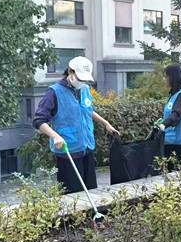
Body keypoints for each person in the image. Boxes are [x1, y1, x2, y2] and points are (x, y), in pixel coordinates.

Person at [34, 56, 120, 193]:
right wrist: (55, 136)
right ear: (70, 71)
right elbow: (39, 121)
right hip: (68, 151)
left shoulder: (85, 89)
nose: (82, 82)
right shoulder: (54, 92)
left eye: (84, 79)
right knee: (74, 195)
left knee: (91, 191)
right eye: (80, 78)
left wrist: (106, 123)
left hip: (87, 147)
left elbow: (87, 110)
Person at [157, 64, 181, 160]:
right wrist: (162, 121)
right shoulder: (174, 93)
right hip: (171, 140)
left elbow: (176, 114)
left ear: (173, 78)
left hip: (180, 141)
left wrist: (164, 125)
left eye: (166, 77)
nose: (165, 79)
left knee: (176, 167)